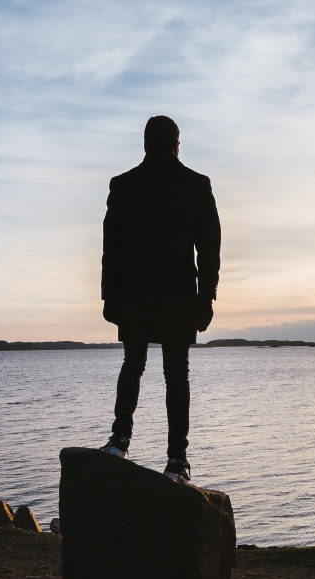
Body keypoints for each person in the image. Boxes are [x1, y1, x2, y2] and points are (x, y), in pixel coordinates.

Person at [98, 115, 221, 483]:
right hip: (179, 296)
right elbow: (210, 249)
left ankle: (120, 441)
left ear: (145, 143)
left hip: (135, 295)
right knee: (176, 374)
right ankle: (177, 460)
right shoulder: (196, 184)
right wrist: (206, 297)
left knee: (132, 364)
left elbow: (111, 248)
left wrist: (109, 295)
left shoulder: (123, 185)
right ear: (176, 144)